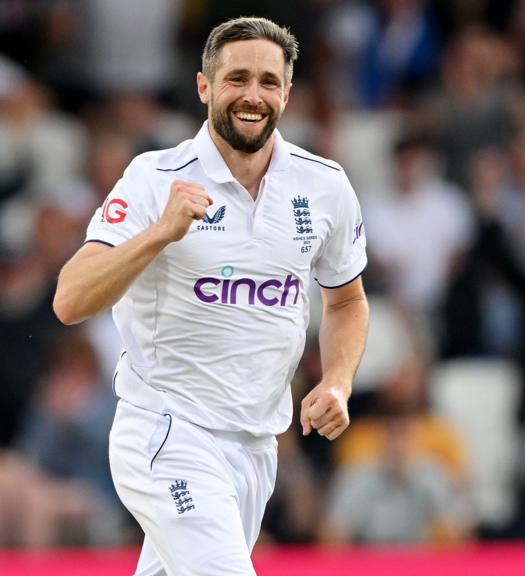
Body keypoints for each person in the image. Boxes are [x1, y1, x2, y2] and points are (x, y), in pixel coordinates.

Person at [52, 17, 369, 576]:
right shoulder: (156, 178)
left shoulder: (324, 185)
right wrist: (159, 234)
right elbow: (70, 299)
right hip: (166, 432)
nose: (253, 95)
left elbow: (345, 301)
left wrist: (338, 382)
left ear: (288, 93)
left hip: (255, 448)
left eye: (269, 82)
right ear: (204, 86)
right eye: (237, 78)